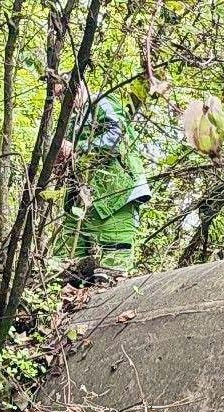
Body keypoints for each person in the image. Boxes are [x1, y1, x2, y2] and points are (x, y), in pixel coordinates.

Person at [59, 83, 151, 277]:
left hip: (118, 189)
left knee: (114, 253)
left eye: (66, 92)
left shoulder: (101, 102)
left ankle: (110, 283)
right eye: (59, 95)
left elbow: (118, 137)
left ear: (79, 86)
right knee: (68, 257)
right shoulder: (73, 120)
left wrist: (77, 148)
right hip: (87, 193)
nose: (63, 99)